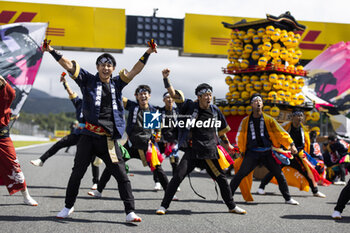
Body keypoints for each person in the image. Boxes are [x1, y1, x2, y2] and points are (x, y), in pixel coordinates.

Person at [42, 40, 157, 222]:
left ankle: (130, 212)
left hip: (108, 140)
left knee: (122, 176)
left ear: (113, 69)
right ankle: (68, 207)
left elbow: (135, 70)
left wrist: (148, 53)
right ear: (97, 67)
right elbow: (69, 65)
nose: (106, 68)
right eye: (103, 65)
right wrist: (51, 51)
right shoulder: (87, 79)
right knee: (77, 174)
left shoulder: (118, 83)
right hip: (88, 136)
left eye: (109, 65)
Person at [156, 69, 246, 215]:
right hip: (192, 151)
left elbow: (222, 132)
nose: (209, 97)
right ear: (199, 97)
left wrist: (228, 146)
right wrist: (166, 79)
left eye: (210, 95)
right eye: (205, 95)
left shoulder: (215, 111)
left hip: (209, 152)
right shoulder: (190, 106)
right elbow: (173, 95)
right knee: (177, 177)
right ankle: (163, 206)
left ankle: (231, 206)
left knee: (222, 179)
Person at [88, 85, 170, 198]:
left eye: (145, 94)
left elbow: (156, 130)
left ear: (149, 96)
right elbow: (118, 97)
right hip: (131, 145)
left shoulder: (153, 110)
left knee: (158, 168)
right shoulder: (133, 107)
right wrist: (107, 86)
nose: (143, 96)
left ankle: (169, 193)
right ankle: (99, 190)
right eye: (140, 94)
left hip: (146, 146)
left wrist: (157, 135)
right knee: (112, 164)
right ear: (136, 96)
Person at [30, 74, 100, 190]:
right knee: (60, 143)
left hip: (90, 134)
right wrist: (64, 83)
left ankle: (96, 182)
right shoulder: (79, 102)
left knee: (93, 159)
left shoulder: (96, 105)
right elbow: (70, 92)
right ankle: (42, 160)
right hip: (78, 134)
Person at [230, 93, 300, 205]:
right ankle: (228, 197)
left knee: (279, 175)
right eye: (255, 101)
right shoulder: (245, 121)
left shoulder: (269, 120)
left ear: (262, 104)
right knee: (240, 174)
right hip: (252, 153)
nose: (258, 102)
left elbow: (281, 133)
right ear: (251, 104)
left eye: (260, 101)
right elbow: (240, 136)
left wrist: (291, 145)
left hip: (267, 152)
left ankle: (288, 198)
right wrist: (238, 150)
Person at [257, 108, 326, 198]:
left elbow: (303, 144)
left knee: (307, 172)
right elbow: (278, 137)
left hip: (297, 156)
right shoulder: (285, 126)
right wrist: (284, 150)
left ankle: (315, 191)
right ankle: (261, 188)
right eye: (298, 115)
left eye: (301, 115)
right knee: (275, 171)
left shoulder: (303, 130)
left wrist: (296, 150)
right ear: (292, 117)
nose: (300, 118)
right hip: (284, 154)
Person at [0, 75, 38, 206]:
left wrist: (2, 81)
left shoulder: (5, 95)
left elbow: (11, 93)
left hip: (2, 138)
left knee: (14, 166)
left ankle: (26, 196)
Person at [153, 92, 180, 191]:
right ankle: (157, 182)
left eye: (171, 98)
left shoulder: (177, 112)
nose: (169, 99)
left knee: (174, 163)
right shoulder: (159, 111)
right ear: (163, 100)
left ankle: (174, 183)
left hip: (172, 141)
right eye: (167, 98)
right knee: (156, 162)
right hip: (160, 141)